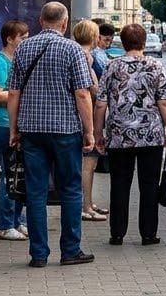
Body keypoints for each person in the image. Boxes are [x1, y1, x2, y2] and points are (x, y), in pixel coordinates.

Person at [7, 2, 95, 268]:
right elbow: (82, 93)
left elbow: (13, 93)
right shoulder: (72, 49)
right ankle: (70, 250)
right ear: (64, 23)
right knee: (71, 190)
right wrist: (89, 131)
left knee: (35, 192)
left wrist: (14, 128)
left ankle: (38, 254)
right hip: (65, 130)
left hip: (32, 130)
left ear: (40, 21)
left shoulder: (23, 48)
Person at [95, 23, 166, 247]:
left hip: (119, 135)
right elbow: (164, 102)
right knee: (149, 185)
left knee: (119, 184)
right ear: (143, 42)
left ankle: (117, 233)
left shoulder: (112, 66)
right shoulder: (155, 65)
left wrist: (98, 132)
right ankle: (148, 234)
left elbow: (100, 103)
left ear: (122, 42)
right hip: (151, 135)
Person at [0, 19, 28, 242]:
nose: (26, 41)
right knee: (9, 174)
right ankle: (5, 224)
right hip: (2, 124)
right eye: (22, 37)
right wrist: (18, 95)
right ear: (10, 39)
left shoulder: (19, 60)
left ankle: (17, 220)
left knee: (19, 174)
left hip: (17, 123)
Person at [73, 20, 108, 223]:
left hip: (84, 114)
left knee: (89, 164)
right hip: (88, 115)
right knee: (88, 165)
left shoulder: (82, 54)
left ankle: (88, 202)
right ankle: (85, 206)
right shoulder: (85, 57)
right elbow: (88, 89)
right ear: (94, 36)